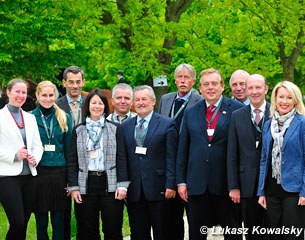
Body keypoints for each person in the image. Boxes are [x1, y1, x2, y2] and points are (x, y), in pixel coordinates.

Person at [176, 68, 243, 240]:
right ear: (200, 88)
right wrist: (181, 182)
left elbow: (242, 150)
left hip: (226, 186)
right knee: (197, 235)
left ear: (222, 86)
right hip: (197, 186)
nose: (210, 87)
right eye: (206, 84)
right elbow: (183, 149)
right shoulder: (191, 112)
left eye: (215, 83)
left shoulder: (237, 110)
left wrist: (237, 184)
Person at [67, 88, 129, 240]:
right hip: (86, 186)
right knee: (87, 231)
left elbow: (122, 158)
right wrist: (74, 187)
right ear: (87, 106)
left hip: (111, 184)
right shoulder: (78, 130)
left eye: (100, 103)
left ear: (105, 106)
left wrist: (122, 185)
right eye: (93, 103)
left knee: (112, 230)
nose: (97, 106)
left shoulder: (115, 128)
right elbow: (72, 161)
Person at [121, 85, 178, 240]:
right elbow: (123, 159)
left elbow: (172, 156)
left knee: (162, 232)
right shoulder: (125, 126)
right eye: (137, 100)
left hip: (159, 188)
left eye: (144, 99)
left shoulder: (167, 123)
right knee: (138, 233)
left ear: (153, 102)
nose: (140, 103)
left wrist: (170, 184)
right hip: (134, 190)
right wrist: (123, 185)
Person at [158, 63, 202, 240]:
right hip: (168, 162)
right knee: (171, 216)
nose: (183, 81)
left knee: (193, 216)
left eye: (187, 77)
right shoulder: (166, 99)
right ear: (175, 80)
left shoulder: (200, 101)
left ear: (193, 80)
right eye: (180, 77)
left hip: (190, 162)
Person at [258, 81, 305, 240]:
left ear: (296, 101)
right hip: (271, 190)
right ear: (275, 99)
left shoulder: (302, 123)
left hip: (294, 191)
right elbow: (264, 160)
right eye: (281, 97)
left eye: (289, 98)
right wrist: (261, 191)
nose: (284, 101)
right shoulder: (268, 125)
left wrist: (304, 191)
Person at [227, 74, 269, 240]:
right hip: (246, 185)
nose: (254, 91)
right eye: (250, 88)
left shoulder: (276, 112)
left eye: (258, 87)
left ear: (265, 89)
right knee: (252, 232)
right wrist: (233, 186)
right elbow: (232, 154)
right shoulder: (237, 116)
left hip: (271, 184)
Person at [0, 78, 43, 240]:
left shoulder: (30, 118)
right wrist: (13, 156)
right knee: (17, 222)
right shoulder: (0, 116)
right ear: (8, 92)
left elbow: (38, 146)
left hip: (29, 177)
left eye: (24, 92)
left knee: (23, 223)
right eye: (17, 91)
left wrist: (35, 158)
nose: (21, 95)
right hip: (7, 177)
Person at [32, 81, 73, 240]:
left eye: (51, 95)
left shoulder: (65, 117)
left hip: (59, 174)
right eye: (44, 95)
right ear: (37, 96)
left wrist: (71, 179)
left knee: (59, 221)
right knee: (41, 221)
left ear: (55, 96)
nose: (48, 99)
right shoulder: (30, 117)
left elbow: (69, 150)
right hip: (39, 174)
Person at [55, 65, 86, 240]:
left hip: (87, 165)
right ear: (64, 83)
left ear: (83, 82)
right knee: (63, 213)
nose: (74, 86)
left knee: (85, 213)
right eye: (71, 82)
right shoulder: (55, 105)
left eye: (78, 82)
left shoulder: (92, 103)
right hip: (63, 165)